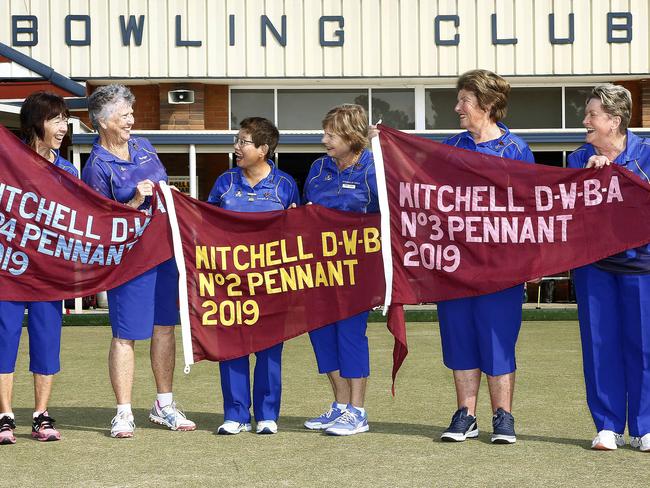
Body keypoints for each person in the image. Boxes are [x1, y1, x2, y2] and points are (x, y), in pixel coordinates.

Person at [81, 84, 195, 438]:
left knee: (165, 327)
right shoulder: (96, 165)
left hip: (164, 250)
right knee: (126, 335)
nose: (131, 119)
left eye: (131, 112)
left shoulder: (144, 146)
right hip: (128, 260)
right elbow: (98, 223)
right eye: (123, 114)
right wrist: (132, 202)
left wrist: (169, 193)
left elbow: (159, 185)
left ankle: (164, 405)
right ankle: (124, 412)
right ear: (103, 121)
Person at [438, 70, 535, 444]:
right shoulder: (450, 146)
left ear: (488, 105)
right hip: (455, 264)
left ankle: (503, 416)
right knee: (460, 337)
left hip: (501, 266)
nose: (457, 107)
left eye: (465, 100)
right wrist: (386, 149)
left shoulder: (516, 150)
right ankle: (465, 415)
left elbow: (531, 210)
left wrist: (533, 261)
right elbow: (418, 187)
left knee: (498, 340)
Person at [568, 84, 650, 452]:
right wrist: (591, 177)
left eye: (592, 115)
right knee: (599, 344)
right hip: (594, 267)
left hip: (643, 267)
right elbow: (567, 209)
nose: (584, 121)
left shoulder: (648, 156)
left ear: (614, 121)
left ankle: (645, 427)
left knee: (644, 346)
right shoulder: (576, 158)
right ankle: (607, 426)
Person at [207, 117, 299, 435]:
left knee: (269, 348)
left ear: (263, 149)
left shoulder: (286, 185)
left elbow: (296, 235)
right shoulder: (224, 182)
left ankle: (267, 415)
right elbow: (204, 224)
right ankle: (235, 415)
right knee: (232, 347)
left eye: (243, 142)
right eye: (237, 140)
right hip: (228, 282)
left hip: (272, 283)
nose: (236, 147)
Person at [0, 92, 78, 445]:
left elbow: (83, 218)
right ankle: (5, 416)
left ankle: (41, 416)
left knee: (47, 343)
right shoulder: (7, 162)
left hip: (49, 272)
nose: (63, 126)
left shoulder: (67, 170)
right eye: (55, 119)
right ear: (36, 123)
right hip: (9, 268)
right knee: (4, 342)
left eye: (64, 119)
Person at [302, 104, 378, 436]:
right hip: (318, 271)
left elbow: (389, 217)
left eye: (331, 134)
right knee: (322, 337)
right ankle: (341, 406)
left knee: (350, 337)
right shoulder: (318, 168)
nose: (324, 140)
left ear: (351, 135)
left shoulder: (374, 169)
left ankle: (358, 411)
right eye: (325, 133)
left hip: (356, 272)